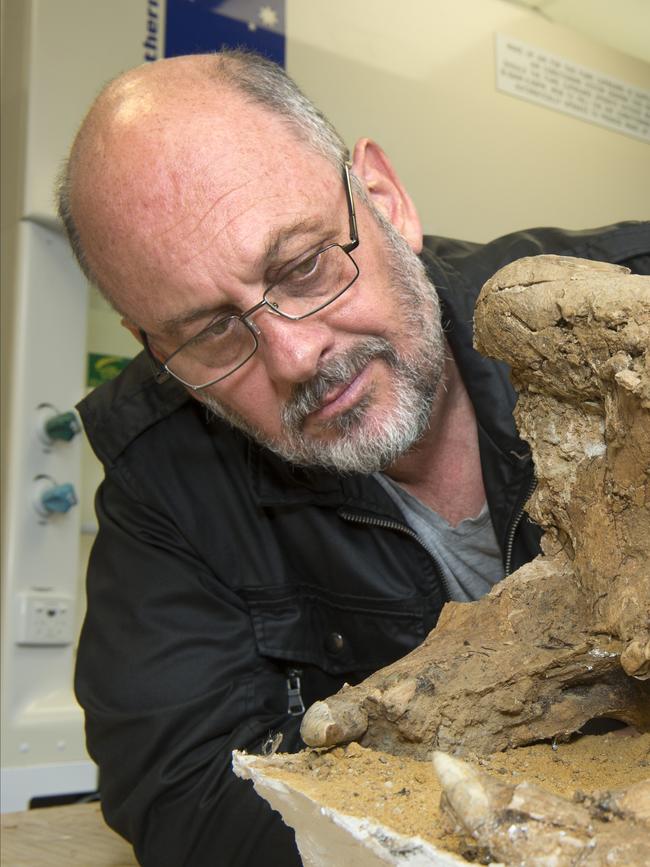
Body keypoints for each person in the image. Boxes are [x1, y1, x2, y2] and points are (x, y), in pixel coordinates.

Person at [58, 49, 649, 866]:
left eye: (303, 266)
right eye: (210, 332)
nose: (295, 355)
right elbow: (179, 785)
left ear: (384, 199)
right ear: (154, 348)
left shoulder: (626, 311)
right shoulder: (163, 464)